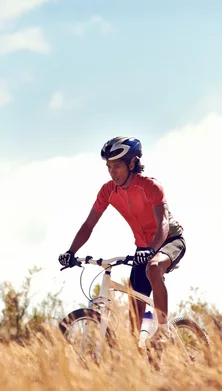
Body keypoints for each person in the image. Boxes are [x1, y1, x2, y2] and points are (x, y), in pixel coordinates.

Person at [58, 136, 185, 342]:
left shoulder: (150, 186)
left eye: (117, 165)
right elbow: (89, 225)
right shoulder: (108, 191)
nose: (112, 171)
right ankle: (144, 363)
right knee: (135, 323)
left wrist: (152, 250)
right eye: (108, 166)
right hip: (142, 249)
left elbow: (162, 223)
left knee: (153, 267)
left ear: (132, 164)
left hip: (169, 241)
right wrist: (71, 252)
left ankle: (163, 330)